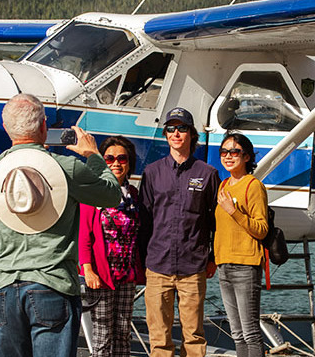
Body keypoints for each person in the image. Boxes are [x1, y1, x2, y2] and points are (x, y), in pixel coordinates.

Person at [0, 93, 121, 357]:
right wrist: (94, 155)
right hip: (52, 282)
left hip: (2, 284)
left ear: (6, 128)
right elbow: (111, 194)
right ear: (43, 127)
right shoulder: (67, 168)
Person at [138, 107, 221, 357]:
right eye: (171, 129)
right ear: (165, 135)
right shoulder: (152, 173)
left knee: (194, 336)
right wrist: (142, 261)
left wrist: (213, 257)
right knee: (159, 338)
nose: (176, 133)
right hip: (157, 265)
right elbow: (144, 220)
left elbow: (215, 222)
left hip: (193, 267)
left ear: (191, 134)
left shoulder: (208, 174)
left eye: (182, 128)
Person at [78, 135, 140, 357]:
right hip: (102, 275)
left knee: (123, 333)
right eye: (110, 158)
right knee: (102, 334)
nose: (116, 163)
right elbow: (83, 234)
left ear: (129, 162)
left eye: (122, 158)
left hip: (126, 275)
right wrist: (87, 269)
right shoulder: (93, 193)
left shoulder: (132, 194)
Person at [214, 132, 268, 357]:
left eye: (234, 152)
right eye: (224, 152)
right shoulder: (223, 185)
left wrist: (234, 212)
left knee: (250, 332)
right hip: (223, 265)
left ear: (246, 156)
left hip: (245, 266)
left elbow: (262, 229)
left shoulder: (253, 185)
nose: (228, 156)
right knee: (236, 333)